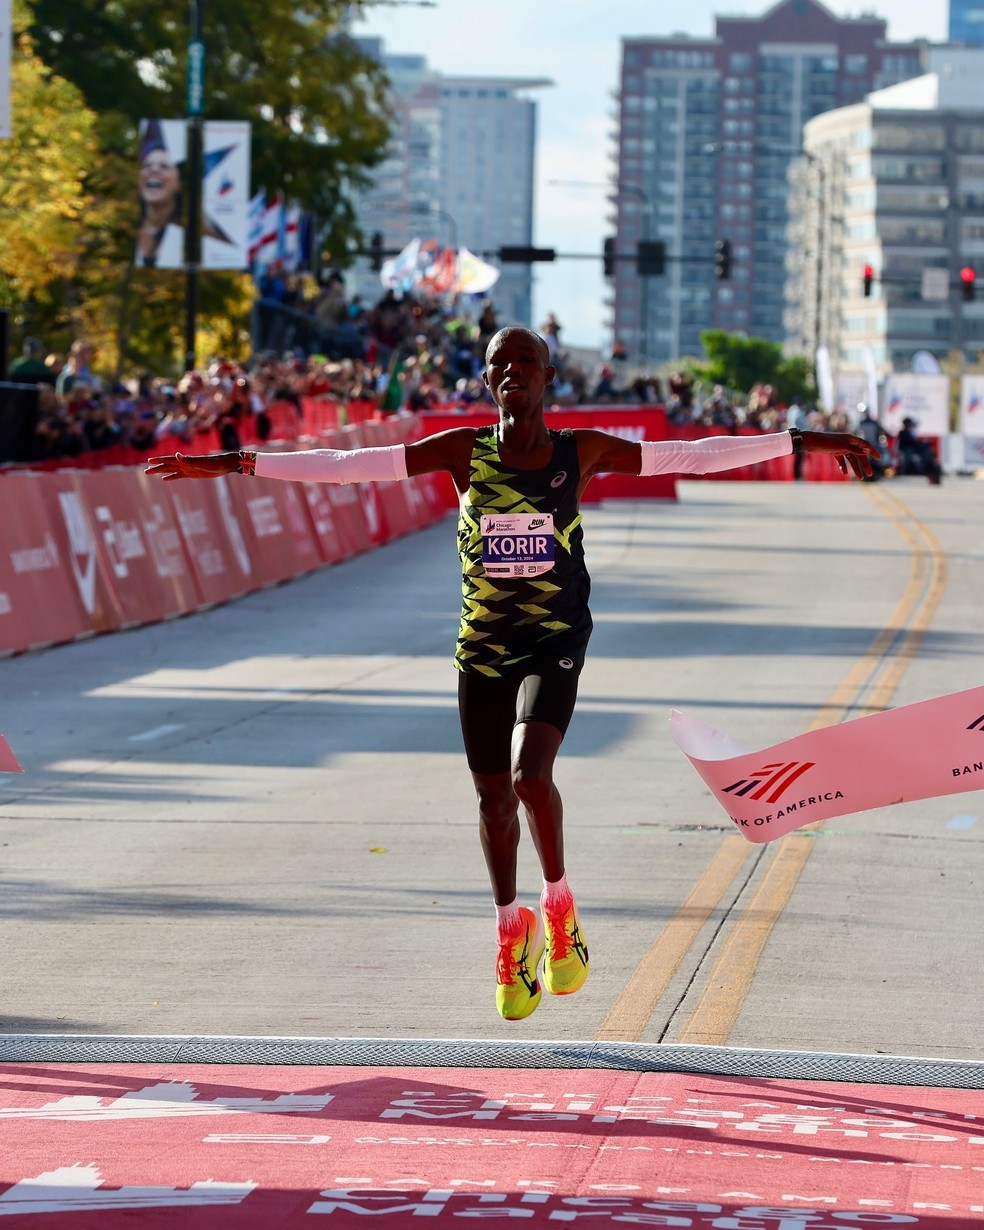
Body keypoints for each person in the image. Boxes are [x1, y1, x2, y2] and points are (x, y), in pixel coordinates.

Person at [145, 326, 878, 1023]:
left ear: (548, 378)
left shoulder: (579, 452)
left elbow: (691, 454)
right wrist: (234, 463)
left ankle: (558, 908)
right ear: (489, 379)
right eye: (498, 363)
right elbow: (346, 467)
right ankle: (510, 929)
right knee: (492, 797)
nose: (510, 372)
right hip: (484, 647)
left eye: (524, 362)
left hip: (554, 638)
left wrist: (806, 440)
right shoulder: (462, 452)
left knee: (531, 778)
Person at [135, 121, 184, 269]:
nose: (153, 170)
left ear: (178, 183)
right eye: (147, 165)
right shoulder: (123, 230)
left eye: (164, 166)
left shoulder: (187, 237)